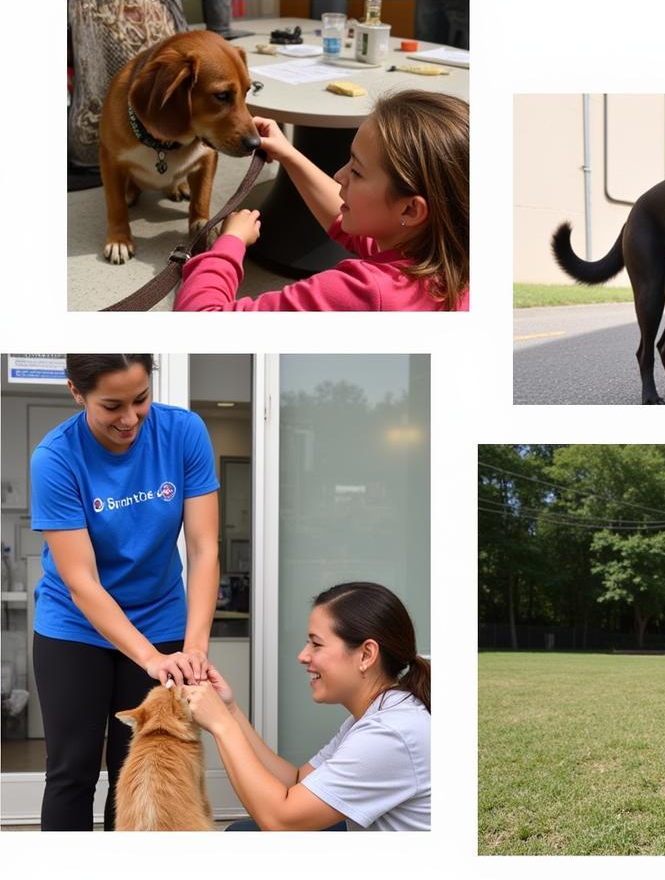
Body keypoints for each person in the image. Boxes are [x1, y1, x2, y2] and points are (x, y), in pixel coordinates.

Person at [30, 354, 219, 830]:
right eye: (112, 406)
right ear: (77, 392)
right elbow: (82, 582)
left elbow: (202, 547)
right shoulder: (55, 459)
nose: (130, 419)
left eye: (141, 399)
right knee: (71, 772)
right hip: (75, 627)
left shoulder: (183, 432)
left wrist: (194, 646)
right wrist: (151, 659)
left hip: (160, 617)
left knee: (137, 769)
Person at [173, 89, 469, 312]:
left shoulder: (362, 292)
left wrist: (229, 245)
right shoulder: (449, 258)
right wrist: (288, 154)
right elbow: (349, 225)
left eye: (356, 171)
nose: (339, 176)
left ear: (410, 208)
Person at [186, 581, 430, 831]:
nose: (302, 656)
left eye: (316, 644)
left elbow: (281, 821)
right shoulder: (376, 714)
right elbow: (297, 781)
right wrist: (231, 712)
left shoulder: (389, 733)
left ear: (366, 655)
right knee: (242, 831)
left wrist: (221, 726)